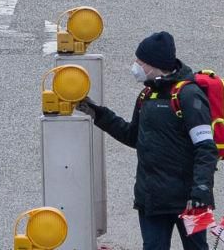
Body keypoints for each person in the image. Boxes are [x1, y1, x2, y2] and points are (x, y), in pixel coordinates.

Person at [79, 31, 216, 250]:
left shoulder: (189, 96)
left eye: (140, 62)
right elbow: (133, 136)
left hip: (192, 201)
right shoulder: (146, 95)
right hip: (152, 200)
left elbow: (206, 148)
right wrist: (99, 114)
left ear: (155, 64)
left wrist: (201, 190)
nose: (135, 66)